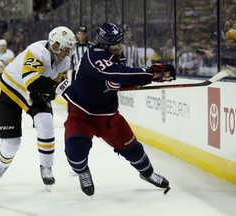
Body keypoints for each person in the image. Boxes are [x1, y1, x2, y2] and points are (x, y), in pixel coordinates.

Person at [58, 22, 175, 196]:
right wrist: (152, 73)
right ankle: (83, 172)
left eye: (120, 42)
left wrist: (153, 78)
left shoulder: (116, 55)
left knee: (133, 149)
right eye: (115, 44)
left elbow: (115, 81)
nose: (119, 47)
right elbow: (117, 74)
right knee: (75, 149)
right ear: (103, 44)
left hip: (107, 114)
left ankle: (148, 174)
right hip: (82, 111)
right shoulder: (94, 55)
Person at [0, 26, 77, 188]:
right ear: (55, 45)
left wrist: (53, 92)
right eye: (66, 49)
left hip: (34, 92)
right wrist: (56, 89)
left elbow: (54, 86)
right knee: (11, 143)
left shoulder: (65, 62)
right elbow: (31, 82)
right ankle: (2, 164)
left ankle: (47, 167)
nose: (68, 53)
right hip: (11, 89)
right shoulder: (36, 51)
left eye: (70, 49)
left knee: (46, 123)